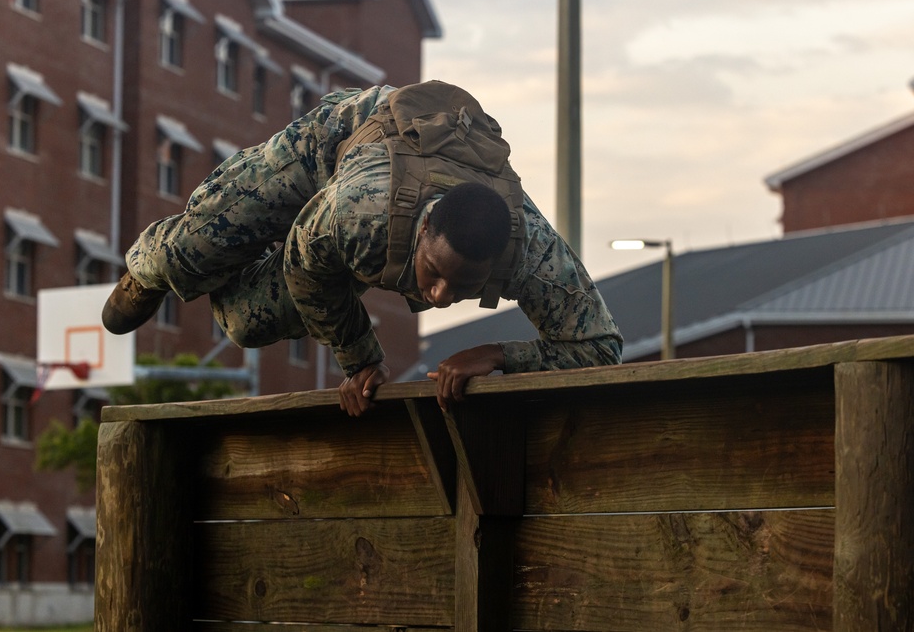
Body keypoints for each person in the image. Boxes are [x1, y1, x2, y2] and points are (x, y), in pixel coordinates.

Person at [103, 83, 622, 415]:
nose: (440, 297)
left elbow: (599, 348)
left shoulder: (530, 251)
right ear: (422, 234)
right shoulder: (361, 211)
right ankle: (146, 268)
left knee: (243, 323)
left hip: (352, 238)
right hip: (331, 147)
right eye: (435, 274)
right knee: (192, 254)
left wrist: (497, 355)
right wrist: (360, 359)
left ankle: (230, 269)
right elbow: (304, 267)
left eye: (462, 289)